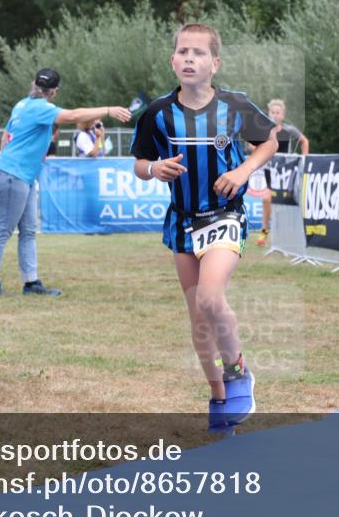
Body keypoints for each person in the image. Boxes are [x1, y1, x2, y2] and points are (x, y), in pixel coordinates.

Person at [130, 23, 279, 433]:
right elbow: (139, 163)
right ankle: (219, 401)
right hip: (181, 221)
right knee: (198, 319)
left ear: (215, 63)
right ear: (172, 60)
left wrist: (244, 168)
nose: (189, 58)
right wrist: (154, 168)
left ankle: (238, 371)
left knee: (212, 299)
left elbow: (269, 141)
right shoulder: (158, 114)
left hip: (224, 214)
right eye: (182, 52)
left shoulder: (235, 105)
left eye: (198, 53)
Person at [0, 68, 130, 296]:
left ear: (34, 85)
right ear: (55, 91)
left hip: (20, 174)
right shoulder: (41, 108)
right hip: (15, 175)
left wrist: (10, 160)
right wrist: (108, 110)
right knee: (3, 231)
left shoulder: (21, 105)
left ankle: (31, 283)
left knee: (28, 230)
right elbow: (74, 116)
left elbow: (5, 136)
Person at [255, 98, 308, 247]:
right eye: (272, 112)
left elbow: (304, 141)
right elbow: (251, 146)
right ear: (268, 113)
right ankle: (264, 231)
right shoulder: (263, 131)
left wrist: (304, 160)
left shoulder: (288, 130)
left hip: (286, 171)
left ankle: (290, 235)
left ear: (282, 115)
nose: (275, 115)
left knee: (287, 203)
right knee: (267, 199)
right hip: (270, 170)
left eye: (278, 113)